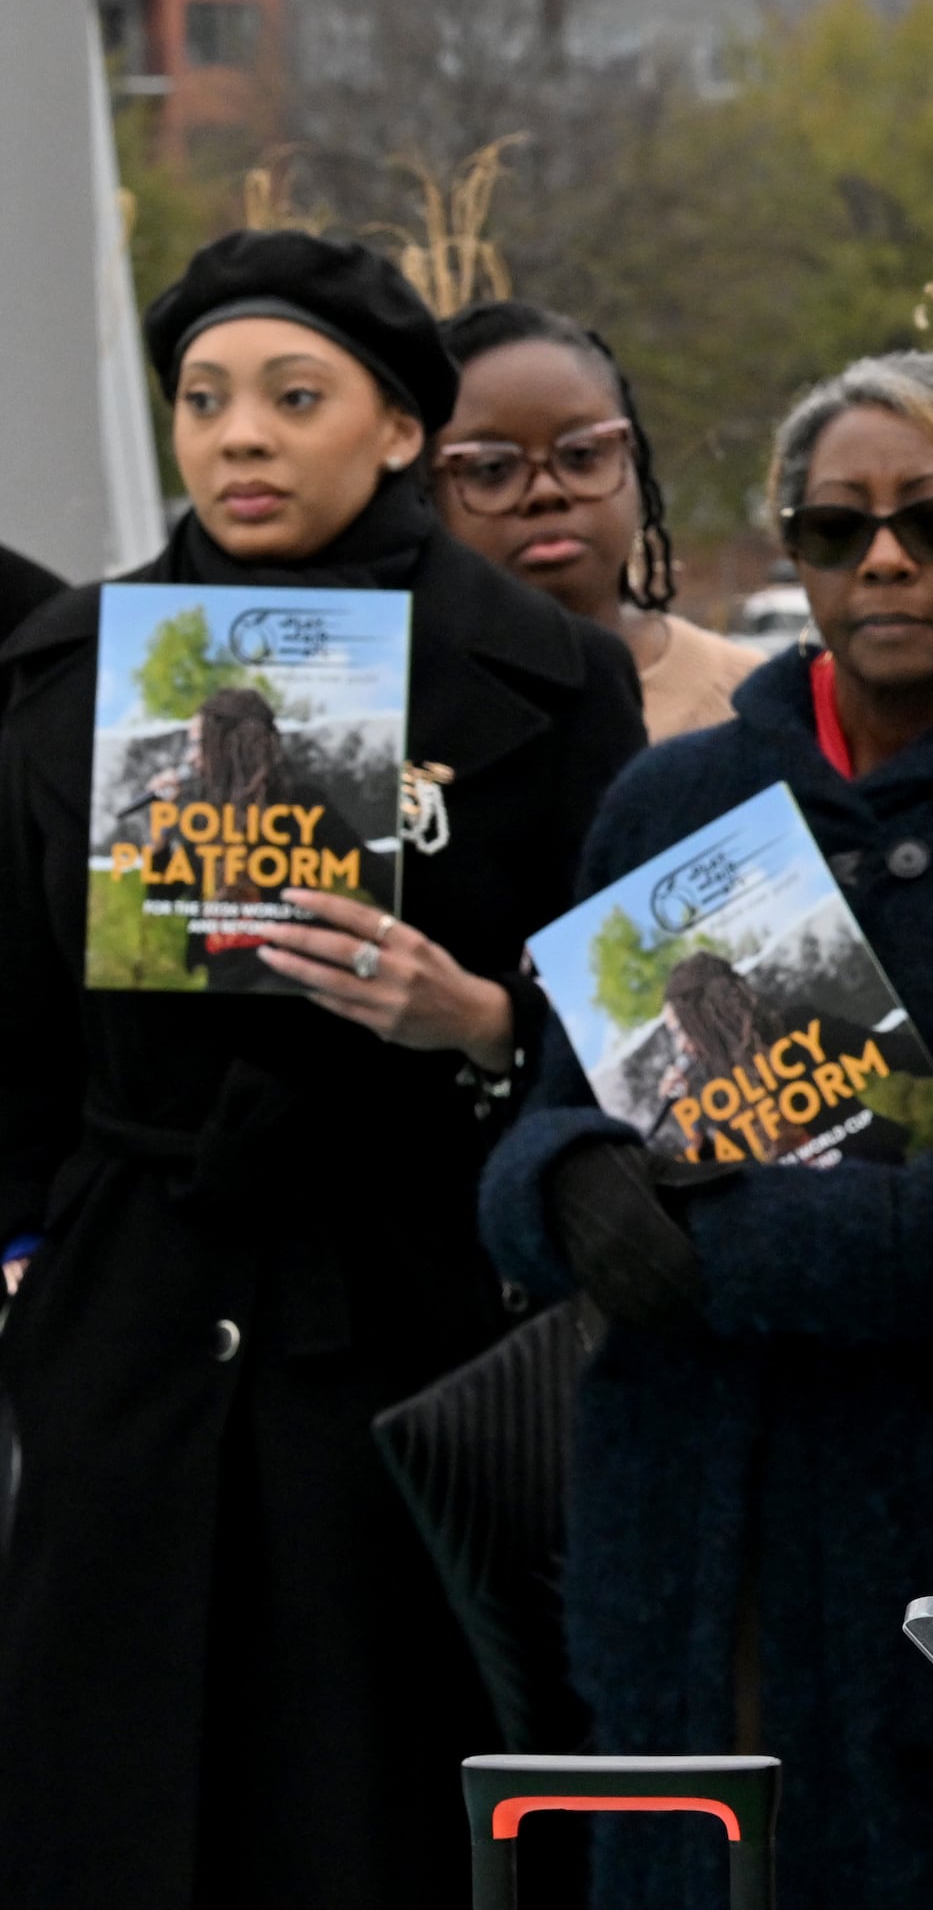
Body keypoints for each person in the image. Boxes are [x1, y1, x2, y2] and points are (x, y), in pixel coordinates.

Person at [475, 351, 933, 1910]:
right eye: (833, 529)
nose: (881, 559)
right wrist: (574, 1187)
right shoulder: (674, 801)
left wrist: (705, 1242)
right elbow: (536, 1143)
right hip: (688, 1518)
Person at [0, 230, 647, 1908]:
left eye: (294, 397)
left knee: (370, 1800)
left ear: (398, 430)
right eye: (204, 400)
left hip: (410, 1309)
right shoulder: (67, 670)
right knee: (113, 1795)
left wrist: (487, 1024)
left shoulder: (558, 679)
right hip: (130, 1313)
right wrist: (23, 1255)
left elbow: (631, 1039)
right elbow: (3, 1012)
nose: (239, 437)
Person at [438, 300, 762, 741]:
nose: (547, 492)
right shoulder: (392, 711)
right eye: (493, 468)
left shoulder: (753, 704)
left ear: (634, 462)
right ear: (426, 492)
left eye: (581, 456)